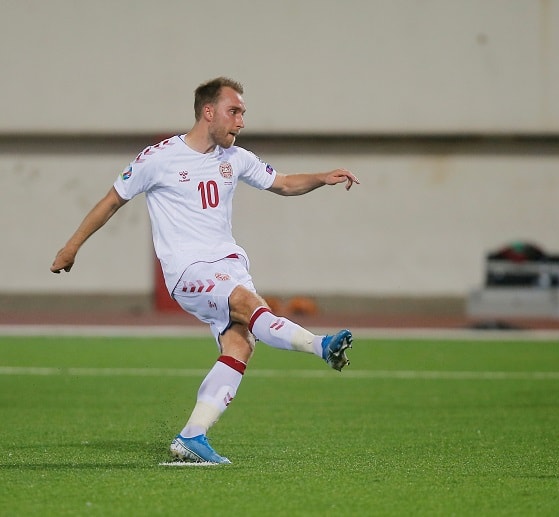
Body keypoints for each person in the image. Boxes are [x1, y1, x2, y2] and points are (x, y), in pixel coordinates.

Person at [51, 77, 360, 463]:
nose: (241, 121)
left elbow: (281, 183)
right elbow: (112, 200)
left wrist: (321, 178)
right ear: (208, 112)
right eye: (234, 111)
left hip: (229, 266)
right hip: (189, 271)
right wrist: (72, 246)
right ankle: (321, 346)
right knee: (249, 305)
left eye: (243, 113)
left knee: (241, 343)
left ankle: (192, 436)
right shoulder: (159, 158)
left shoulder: (235, 157)